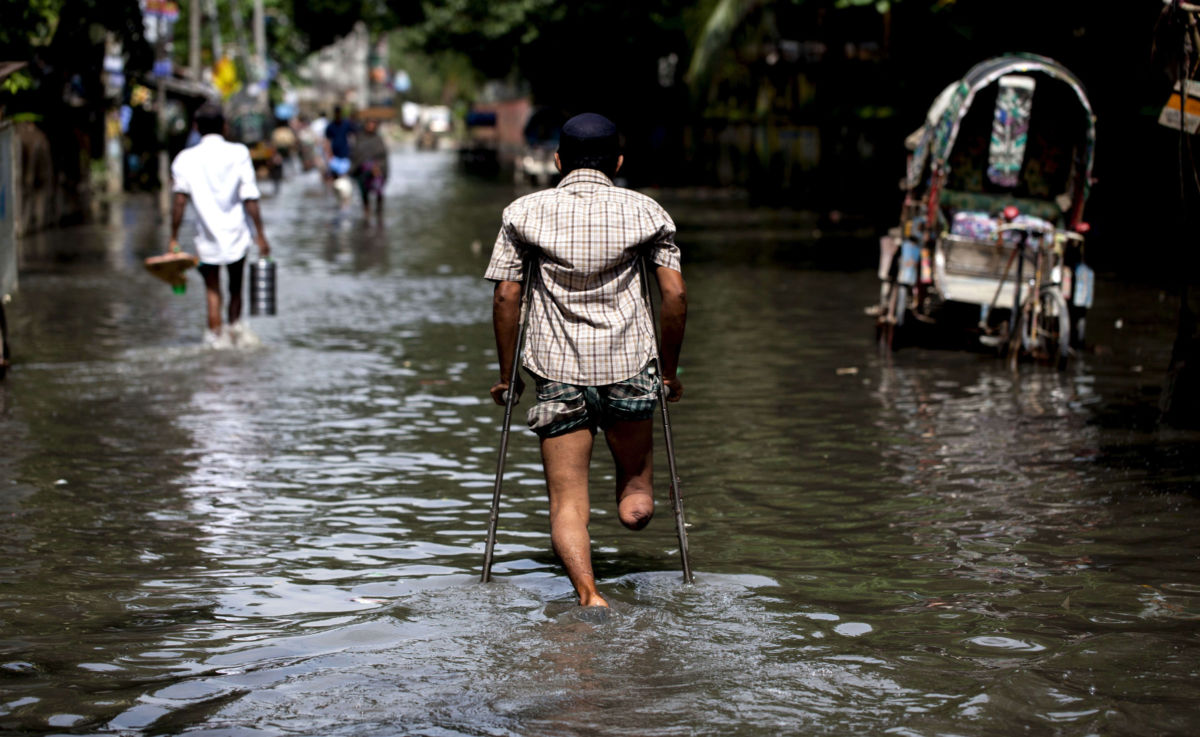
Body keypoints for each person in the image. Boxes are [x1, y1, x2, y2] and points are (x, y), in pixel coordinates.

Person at [485, 113, 688, 609]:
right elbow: (675, 295)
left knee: (567, 505)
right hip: (629, 367)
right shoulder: (646, 211)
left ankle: (589, 594)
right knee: (636, 494)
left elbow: (507, 297)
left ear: (558, 161)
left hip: (557, 374)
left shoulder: (524, 213)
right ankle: (632, 503)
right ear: (618, 162)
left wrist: (507, 376)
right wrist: (667, 372)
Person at [168, 103, 270, 347]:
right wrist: (260, 234)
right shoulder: (239, 153)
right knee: (236, 288)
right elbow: (250, 197)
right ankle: (234, 334)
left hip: (206, 238)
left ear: (196, 127)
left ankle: (216, 342)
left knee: (212, 291)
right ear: (224, 126)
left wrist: (173, 237)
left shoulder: (184, 159)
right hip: (236, 234)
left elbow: (179, 202)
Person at [350, 117, 389, 218]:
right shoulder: (359, 138)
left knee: (379, 191)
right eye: (369, 124)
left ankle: (379, 212)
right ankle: (366, 212)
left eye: (373, 124)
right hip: (363, 170)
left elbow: (383, 156)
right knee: (364, 191)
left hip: (378, 170)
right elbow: (356, 155)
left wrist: (378, 166)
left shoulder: (378, 139)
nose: (371, 126)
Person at [324, 106, 355, 182]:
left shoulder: (346, 124)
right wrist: (328, 154)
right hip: (334, 156)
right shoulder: (330, 126)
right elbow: (327, 141)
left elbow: (352, 137)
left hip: (345, 155)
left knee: (344, 177)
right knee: (334, 178)